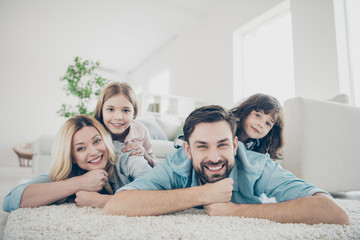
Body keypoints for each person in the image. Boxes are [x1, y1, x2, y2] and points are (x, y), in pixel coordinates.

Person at [104, 105, 349, 225]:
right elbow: (118, 205)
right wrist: (202, 194)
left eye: (222, 145)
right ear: (187, 150)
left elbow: (334, 212)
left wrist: (236, 211)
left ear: (234, 145)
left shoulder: (257, 165)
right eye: (202, 146)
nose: (214, 157)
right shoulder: (176, 165)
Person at [2, 115, 151, 213]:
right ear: (71, 156)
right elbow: (10, 201)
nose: (93, 151)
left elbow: (158, 193)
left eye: (97, 141)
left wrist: (102, 202)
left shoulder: (128, 156)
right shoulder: (70, 171)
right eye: (80, 148)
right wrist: (80, 183)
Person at [94, 82, 157, 167]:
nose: (118, 117)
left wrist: (144, 154)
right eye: (110, 109)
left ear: (134, 113)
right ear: (101, 110)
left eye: (126, 110)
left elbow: (156, 165)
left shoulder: (140, 129)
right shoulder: (93, 131)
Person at [230, 93, 284, 159]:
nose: (261, 125)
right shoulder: (226, 132)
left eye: (268, 123)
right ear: (245, 111)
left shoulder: (258, 147)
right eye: (258, 115)